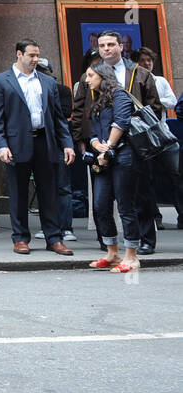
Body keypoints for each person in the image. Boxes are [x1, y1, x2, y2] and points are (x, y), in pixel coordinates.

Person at [72, 31, 161, 253]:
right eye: (102, 45)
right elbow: (81, 111)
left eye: (111, 44)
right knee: (102, 200)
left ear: (121, 46)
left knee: (139, 194)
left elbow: (155, 108)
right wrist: (86, 142)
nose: (106, 49)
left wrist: (130, 128)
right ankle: (108, 242)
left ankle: (145, 239)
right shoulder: (91, 75)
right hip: (100, 146)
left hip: (134, 145)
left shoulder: (139, 74)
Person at [0, 39, 76, 256]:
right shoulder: (1, 81)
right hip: (16, 144)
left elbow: (58, 118)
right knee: (18, 192)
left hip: (45, 141)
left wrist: (67, 144)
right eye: (31, 56)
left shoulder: (47, 82)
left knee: (50, 192)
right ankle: (20, 238)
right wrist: (1, 145)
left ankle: (54, 238)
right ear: (19, 54)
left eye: (38, 56)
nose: (36, 60)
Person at [79, 62, 139, 271]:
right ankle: (112, 252)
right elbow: (93, 130)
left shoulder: (121, 96)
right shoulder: (98, 100)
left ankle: (131, 256)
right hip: (103, 158)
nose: (87, 80)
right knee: (100, 205)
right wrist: (96, 145)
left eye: (90, 76)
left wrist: (108, 148)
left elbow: (121, 123)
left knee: (125, 205)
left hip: (123, 156)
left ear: (102, 76)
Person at [133, 46, 180, 232]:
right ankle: (155, 217)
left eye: (149, 61)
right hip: (143, 138)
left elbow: (172, 101)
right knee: (147, 178)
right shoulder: (133, 81)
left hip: (163, 134)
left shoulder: (160, 81)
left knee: (175, 176)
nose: (147, 64)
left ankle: (181, 214)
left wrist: (156, 100)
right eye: (143, 61)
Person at [37, 58, 77, 243]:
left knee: (63, 187)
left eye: (43, 70)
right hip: (39, 142)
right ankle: (48, 226)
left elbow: (65, 113)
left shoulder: (61, 90)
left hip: (58, 143)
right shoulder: (28, 89)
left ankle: (66, 227)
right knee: (44, 187)